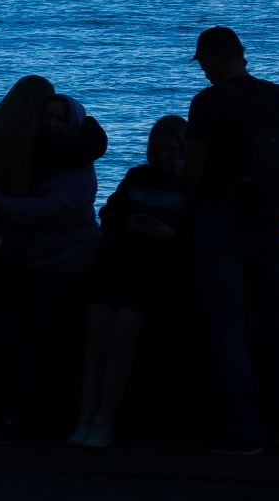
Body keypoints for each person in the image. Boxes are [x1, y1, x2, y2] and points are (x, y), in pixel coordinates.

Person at [183, 25, 279, 454]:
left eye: (203, 62)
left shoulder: (207, 102)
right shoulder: (278, 96)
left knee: (229, 327)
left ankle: (245, 431)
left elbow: (195, 170)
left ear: (216, 59)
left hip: (221, 218)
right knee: (278, 321)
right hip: (270, 217)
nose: (202, 71)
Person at [0, 82, 107, 442]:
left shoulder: (63, 161)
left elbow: (55, 209)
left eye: (58, 118)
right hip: (40, 258)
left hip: (62, 261)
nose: (51, 124)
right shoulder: (49, 155)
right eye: (46, 117)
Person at [71, 114, 192, 449]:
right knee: (96, 334)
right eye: (156, 150)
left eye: (170, 149)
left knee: (120, 332)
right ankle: (86, 416)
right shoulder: (137, 176)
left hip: (153, 274)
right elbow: (109, 214)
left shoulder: (191, 185)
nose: (162, 157)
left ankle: (103, 417)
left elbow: (195, 235)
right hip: (119, 264)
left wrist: (170, 236)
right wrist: (131, 225)